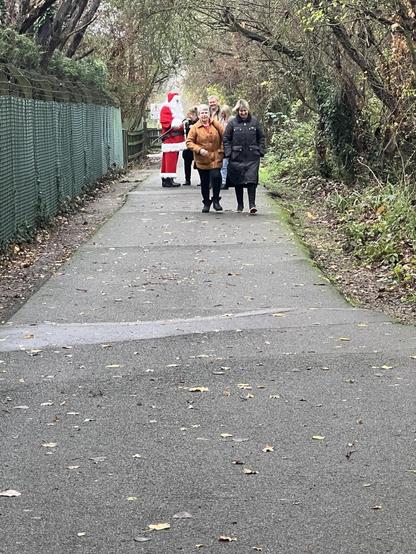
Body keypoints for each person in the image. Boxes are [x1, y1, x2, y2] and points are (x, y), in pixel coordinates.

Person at [223, 99, 266, 214]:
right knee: (238, 181)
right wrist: (228, 153)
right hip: (236, 157)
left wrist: (260, 151)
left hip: (252, 157)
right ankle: (240, 205)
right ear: (237, 111)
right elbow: (226, 138)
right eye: (241, 111)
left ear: (248, 110)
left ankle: (252, 204)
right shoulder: (232, 123)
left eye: (245, 110)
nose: (243, 113)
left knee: (252, 181)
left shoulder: (255, 122)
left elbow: (261, 137)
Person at [186, 104, 224, 213]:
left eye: (206, 112)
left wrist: (221, 150)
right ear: (198, 115)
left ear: (209, 114)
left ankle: (216, 200)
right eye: (202, 113)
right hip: (202, 159)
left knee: (216, 177)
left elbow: (225, 137)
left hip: (216, 156)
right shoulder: (195, 128)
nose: (204, 115)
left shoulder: (216, 124)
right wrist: (199, 150)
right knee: (205, 182)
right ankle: (206, 202)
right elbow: (189, 142)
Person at [159, 91, 186, 187]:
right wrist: (174, 123)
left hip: (176, 139)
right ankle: (167, 179)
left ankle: (169, 178)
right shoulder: (166, 108)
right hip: (170, 139)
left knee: (173, 159)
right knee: (169, 159)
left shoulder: (177, 110)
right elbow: (164, 121)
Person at [182, 107, 198, 186]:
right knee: (186, 162)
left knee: (199, 163)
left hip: (197, 145)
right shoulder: (187, 123)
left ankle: (202, 180)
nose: (189, 116)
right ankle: (187, 179)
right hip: (188, 145)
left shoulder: (199, 122)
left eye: (190, 114)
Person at [219, 105, 232, 189]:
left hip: (230, 144)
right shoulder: (220, 120)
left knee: (227, 164)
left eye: (223, 113)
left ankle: (226, 181)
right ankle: (223, 181)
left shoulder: (231, 120)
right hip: (222, 144)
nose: (222, 114)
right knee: (223, 164)